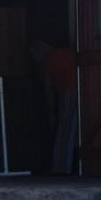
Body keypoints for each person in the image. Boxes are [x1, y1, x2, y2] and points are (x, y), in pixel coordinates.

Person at [30, 39, 79, 174]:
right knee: (72, 130)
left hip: (69, 91)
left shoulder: (47, 62)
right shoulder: (66, 53)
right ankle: (67, 166)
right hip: (82, 89)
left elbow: (48, 90)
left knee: (65, 130)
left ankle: (62, 166)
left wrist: (51, 112)